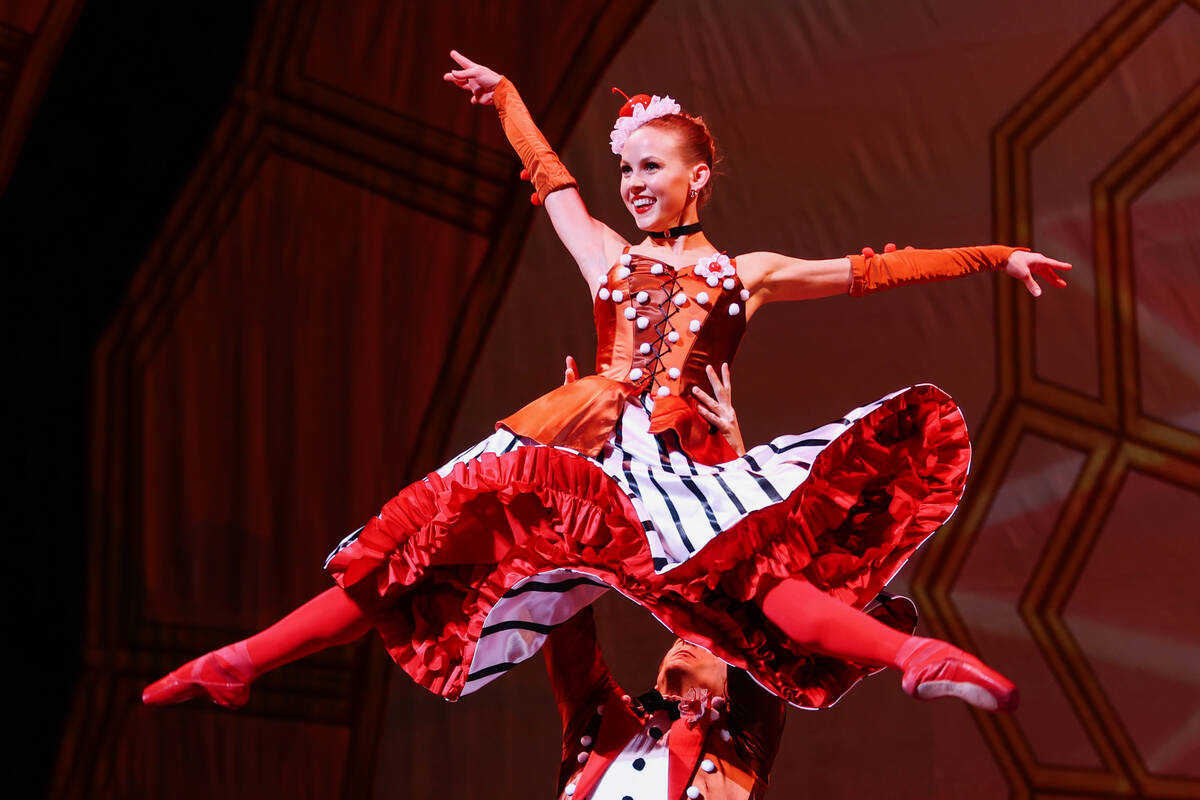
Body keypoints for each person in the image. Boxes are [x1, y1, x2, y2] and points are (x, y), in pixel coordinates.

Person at [144, 49, 1072, 715]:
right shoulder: (608, 264)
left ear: (698, 174)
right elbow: (552, 187)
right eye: (624, 168)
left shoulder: (744, 272)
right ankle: (244, 658)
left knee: (750, 587)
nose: (631, 182)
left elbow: (872, 270)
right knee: (424, 545)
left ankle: (915, 656)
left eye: (651, 166)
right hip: (581, 443)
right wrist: (508, 98)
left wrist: (996, 257)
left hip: (676, 464)